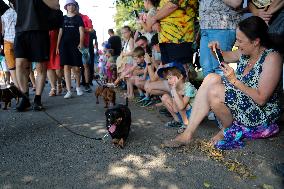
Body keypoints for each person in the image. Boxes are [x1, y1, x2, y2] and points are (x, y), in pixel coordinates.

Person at [163, 16, 282, 149]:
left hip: (261, 114)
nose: (236, 44)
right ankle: (188, 133)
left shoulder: (272, 58)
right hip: (244, 103)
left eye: (240, 40)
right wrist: (216, 51)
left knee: (215, 92)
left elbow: (261, 99)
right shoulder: (245, 53)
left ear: (255, 42)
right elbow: (224, 57)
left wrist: (234, 81)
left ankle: (227, 129)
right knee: (211, 78)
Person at [14, 0, 60, 111]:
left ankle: (37, 99)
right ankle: (25, 98)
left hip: (40, 29)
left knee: (40, 66)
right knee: (20, 64)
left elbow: (56, 5)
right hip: (21, 29)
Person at [199, 0, 243, 77]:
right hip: (205, 25)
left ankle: (223, 88)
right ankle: (210, 89)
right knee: (206, 68)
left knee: (219, 67)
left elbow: (236, 2)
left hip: (222, 26)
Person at [148, 0, 198, 65]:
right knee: (169, 72)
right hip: (165, 39)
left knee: (181, 71)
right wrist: (156, 21)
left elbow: (173, 4)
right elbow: (161, 10)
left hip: (179, 38)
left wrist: (154, 19)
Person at [56, 0, 84, 99]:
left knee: (76, 68)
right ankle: (69, 90)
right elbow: (60, 32)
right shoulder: (63, 19)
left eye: (72, 5)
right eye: (68, 5)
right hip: (64, 45)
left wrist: (81, 43)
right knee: (66, 67)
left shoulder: (78, 18)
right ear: (66, 7)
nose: (70, 6)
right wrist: (57, 46)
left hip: (75, 45)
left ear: (75, 7)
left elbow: (81, 31)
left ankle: (78, 87)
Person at [158, 63, 197, 133]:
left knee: (181, 102)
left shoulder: (189, 87)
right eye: (167, 79)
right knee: (165, 97)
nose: (168, 81)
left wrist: (175, 93)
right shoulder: (175, 88)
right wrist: (174, 92)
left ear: (180, 77)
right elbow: (175, 110)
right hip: (183, 113)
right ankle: (178, 120)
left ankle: (186, 124)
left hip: (195, 115)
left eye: (170, 78)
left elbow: (181, 107)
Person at [1, 0, 18, 88]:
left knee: (16, 66)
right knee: (12, 66)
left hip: (16, 40)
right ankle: (18, 88)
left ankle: (20, 88)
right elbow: (2, 29)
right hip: (8, 40)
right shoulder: (4, 13)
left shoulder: (19, 11)